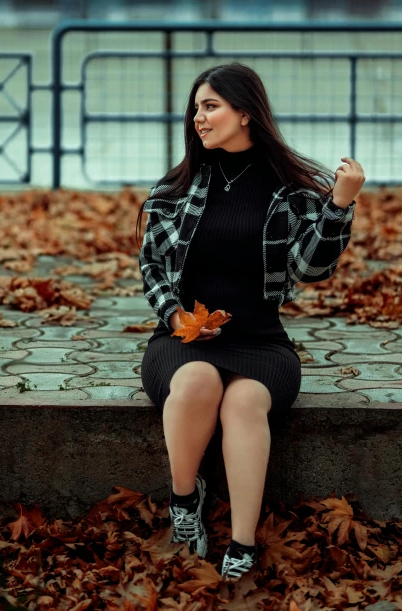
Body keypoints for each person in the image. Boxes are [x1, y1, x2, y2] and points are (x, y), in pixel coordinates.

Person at [135, 62, 365, 582]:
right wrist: (176, 316)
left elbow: (313, 269)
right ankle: (184, 500)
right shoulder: (178, 188)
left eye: (210, 106)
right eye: (195, 108)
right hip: (180, 340)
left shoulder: (289, 189)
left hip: (262, 344)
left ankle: (241, 544)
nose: (198, 117)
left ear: (245, 112)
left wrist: (340, 205)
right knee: (196, 379)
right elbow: (151, 268)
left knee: (243, 401)